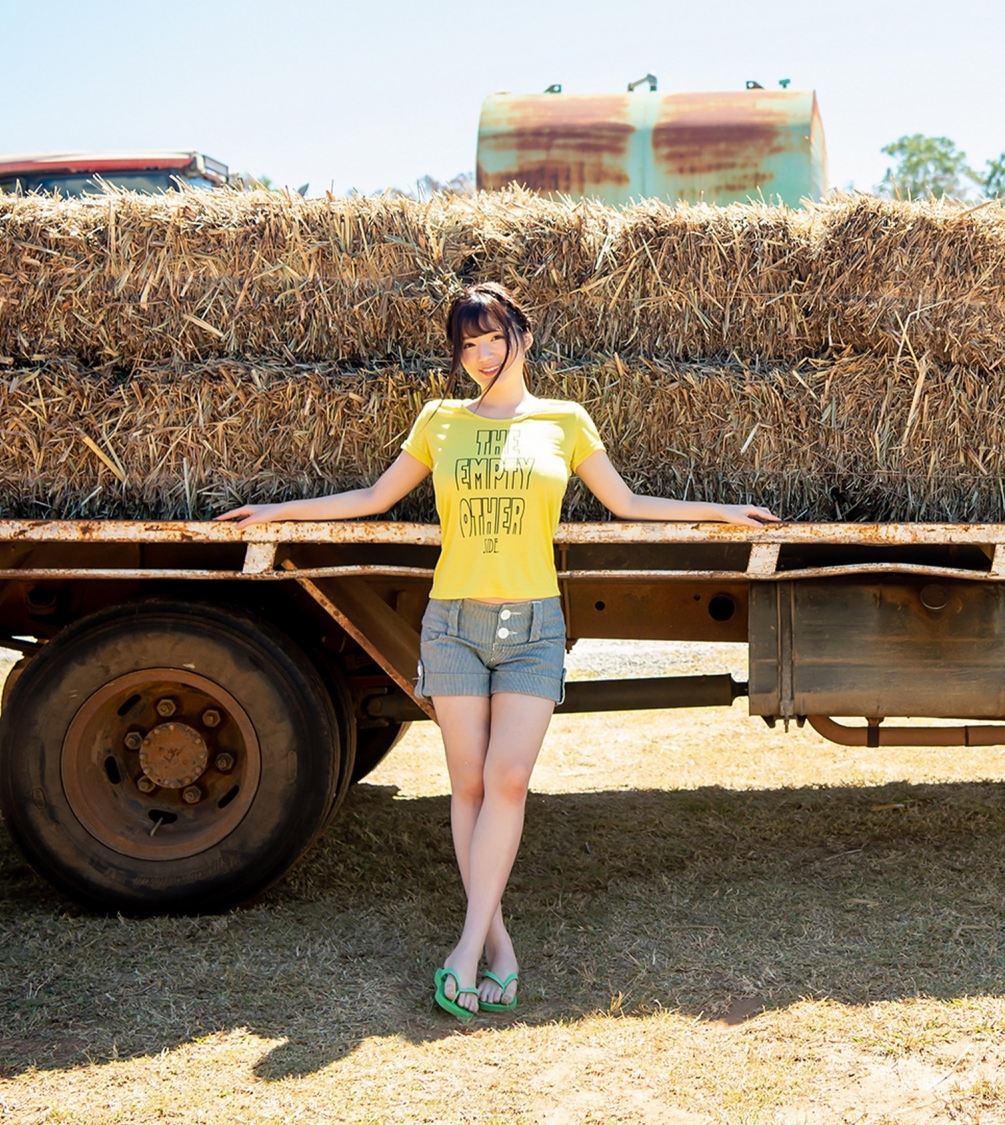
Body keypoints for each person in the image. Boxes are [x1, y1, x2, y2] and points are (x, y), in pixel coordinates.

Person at [218, 282, 778, 1019]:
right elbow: (372, 498)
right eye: (468, 345)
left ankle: (466, 945)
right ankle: (497, 945)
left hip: (533, 627)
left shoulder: (564, 420)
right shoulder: (440, 421)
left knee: (508, 780)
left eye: (494, 338)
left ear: (524, 336)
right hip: (452, 623)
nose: (482, 356)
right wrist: (277, 511)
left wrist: (723, 512)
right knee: (469, 786)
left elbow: (628, 504)